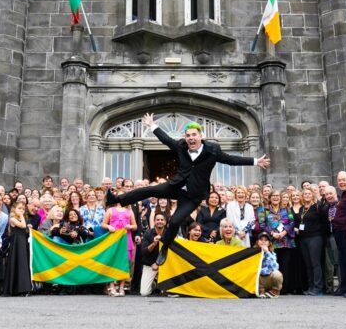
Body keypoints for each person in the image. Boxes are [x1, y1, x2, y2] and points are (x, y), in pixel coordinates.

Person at [105, 113, 269, 265]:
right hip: (176, 186)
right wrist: (152, 125)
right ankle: (117, 199)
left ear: (200, 136)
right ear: (185, 138)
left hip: (193, 195)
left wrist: (255, 161)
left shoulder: (212, 150)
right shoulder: (181, 146)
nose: (191, 138)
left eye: (194, 135)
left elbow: (231, 159)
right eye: (188, 135)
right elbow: (167, 140)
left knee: (175, 221)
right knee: (149, 190)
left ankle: (165, 248)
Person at [258, 190, 294, 294]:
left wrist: (284, 232)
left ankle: (284, 289)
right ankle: (272, 287)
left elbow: (292, 223)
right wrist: (273, 234)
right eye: (273, 196)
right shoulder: (263, 210)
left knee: (285, 265)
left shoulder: (287, 209)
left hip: (285, 241)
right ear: (269, 198)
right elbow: (262, 225)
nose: (275, 197)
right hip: (271, 242)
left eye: (277, 196)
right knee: (272, 264)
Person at [102, 196, 137, 296]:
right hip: (113, 240)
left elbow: (135, 226)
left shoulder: (129, 211)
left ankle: (121, 287)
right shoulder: (110, 210)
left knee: (124, 263)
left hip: (126, 240)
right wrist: (109, 226)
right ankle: (112, 286)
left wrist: (130, 226)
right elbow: (103, 224)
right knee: (112, 262)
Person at [296, 185, 325, 296]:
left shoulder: (317, 207)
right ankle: (311, 286)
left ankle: (318, 287)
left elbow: (323, 222)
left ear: (312, 195)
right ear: (302, 196)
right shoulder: (302, 208)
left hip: (315, 238)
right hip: (303, 238)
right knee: (308, 264)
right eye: (305, 194)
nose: (307, 195)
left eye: (309, 193)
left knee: (315, 263)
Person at [4, 201, 31, 296]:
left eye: (23, 209)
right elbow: (22, 226)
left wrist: (29, 227)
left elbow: (25, 228)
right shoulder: (12, 219)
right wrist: (22, 217)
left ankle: (23, 287)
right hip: (16, 243)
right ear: (14, 209)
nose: (21, 211)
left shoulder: (22, 219)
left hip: (23, 242)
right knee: (18, 262)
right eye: (19, 208)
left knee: (23, 263)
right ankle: (16, 288)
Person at [139, 213, 167, 297]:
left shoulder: (169, 233)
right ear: (154, 222)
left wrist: (159, 263)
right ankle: (154, 284)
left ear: (165, 222)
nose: (160, 221)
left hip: (165, 265)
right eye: (157, 220)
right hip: (150, 265)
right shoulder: (148, 233)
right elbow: (143, 252)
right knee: (144, 293)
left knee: (170, 292)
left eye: (162, 220)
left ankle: (161, 285)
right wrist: (154, 243)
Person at [256, 232, 283, 298]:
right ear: (257, 242)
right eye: (261, 240)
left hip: (269, 280)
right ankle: (261, 291)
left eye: (266, 240)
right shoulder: (253, 253)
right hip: (258, 280)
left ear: (269, 243)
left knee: (277, 274)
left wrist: (267, 252)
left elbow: (275, 267)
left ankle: (275, 291)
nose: (263, 242)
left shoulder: (272, 253)